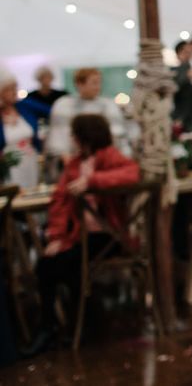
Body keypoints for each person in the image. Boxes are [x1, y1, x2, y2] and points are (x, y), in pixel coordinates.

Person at [28, 114, 140, 354]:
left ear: (84, 137)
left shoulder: (109, 156)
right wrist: (56, 238)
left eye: (75, 135)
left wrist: (93, 180)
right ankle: (62, 325)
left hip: (108, 235)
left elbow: (132, 173)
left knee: (65, 265)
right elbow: (60, 201)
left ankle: (72, 326)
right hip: (78, 236)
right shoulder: (74, 164)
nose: (73, 139)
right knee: (49, 264)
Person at [45, 68, 130, 161]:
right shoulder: (64, 104)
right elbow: (59, 135)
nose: (98, 87)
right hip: (74, 159)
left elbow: (117, 134)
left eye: (99, 82)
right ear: (79, 84)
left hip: (104, 159)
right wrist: (65, 156)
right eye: (94, 83)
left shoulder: (108, 105)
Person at [0, 69, 49, 188]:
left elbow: (50, 111)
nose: (14, 92)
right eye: (9, 89)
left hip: (31, 159)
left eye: (14, 88)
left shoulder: (25, 106)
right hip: (8, 164)